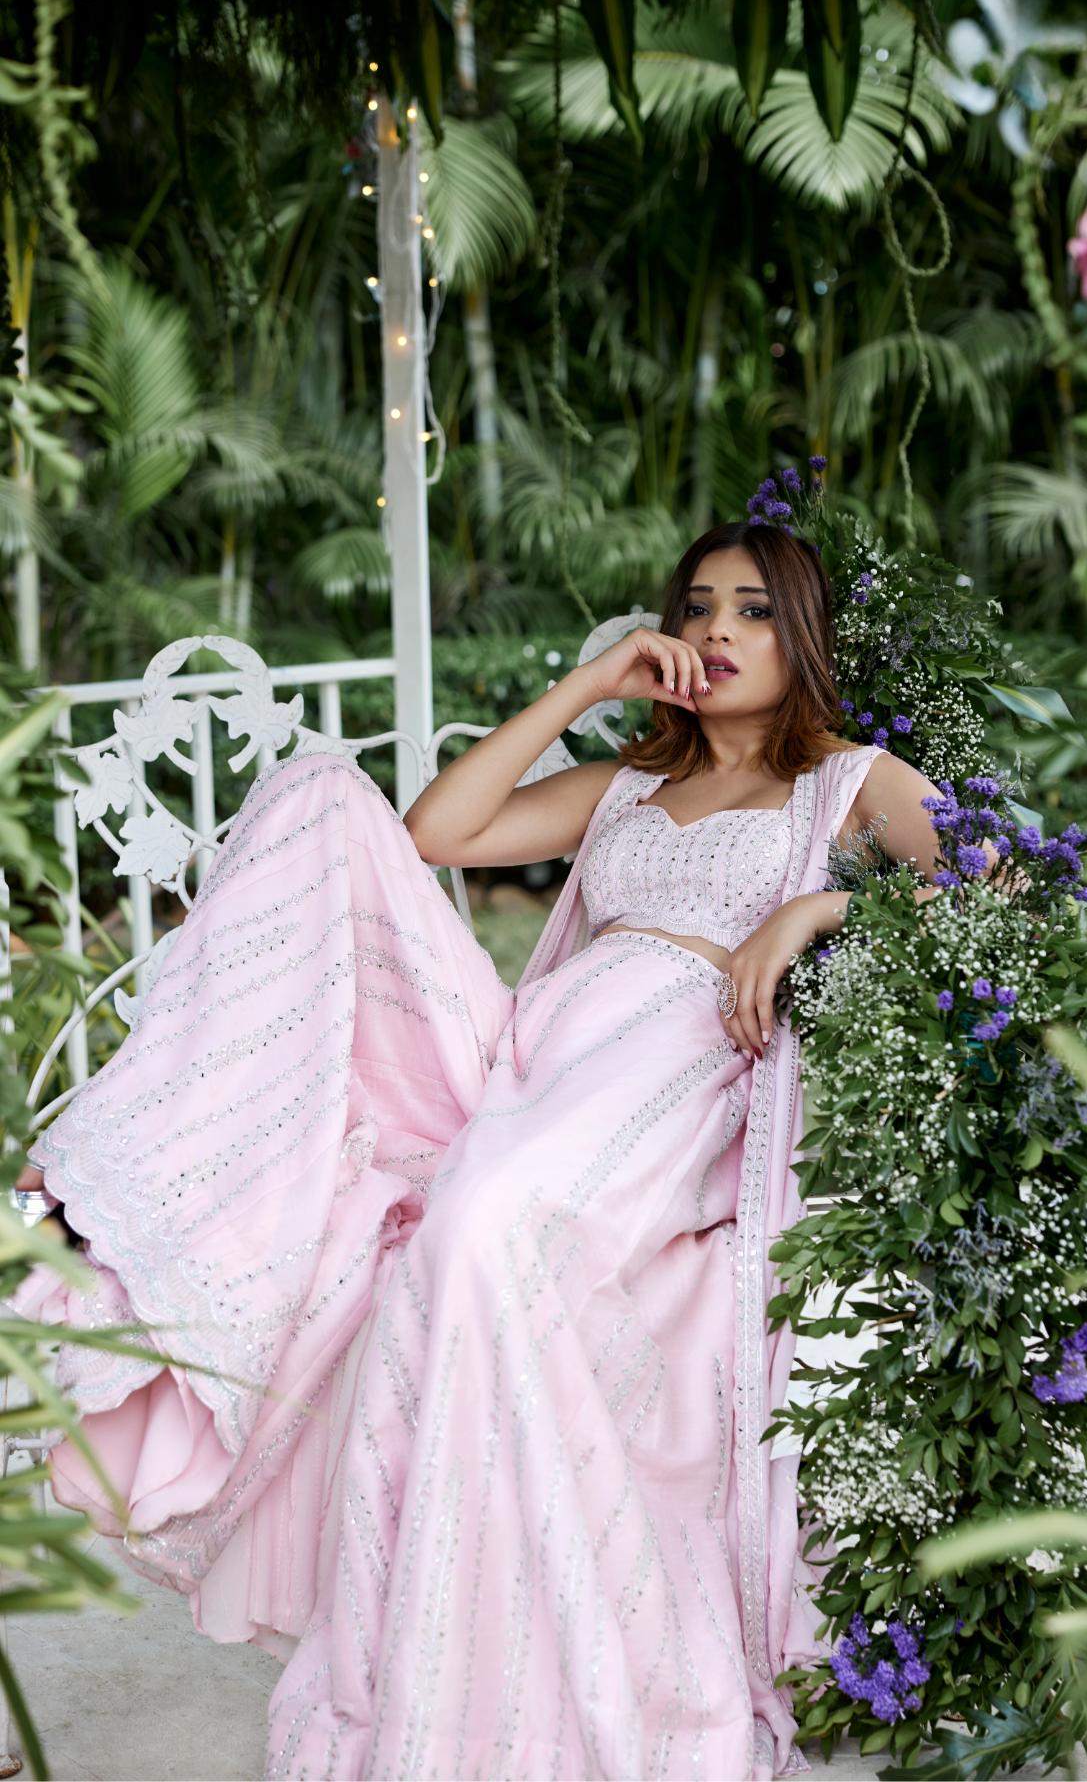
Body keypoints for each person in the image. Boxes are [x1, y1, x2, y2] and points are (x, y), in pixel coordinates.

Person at [11, 522, 956, 1780]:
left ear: (805, 636)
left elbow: (997, 884)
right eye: (697, 606)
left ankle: (472, 1669)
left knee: (476, 1226)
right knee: (322, 800)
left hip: (674, 1064)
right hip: (528, 1050)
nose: (718, 631)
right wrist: (588, 687)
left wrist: (818, 908)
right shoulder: (627, 783)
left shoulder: (851, 783)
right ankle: (106, 1169)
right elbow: (433, 833)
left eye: (754, 610)